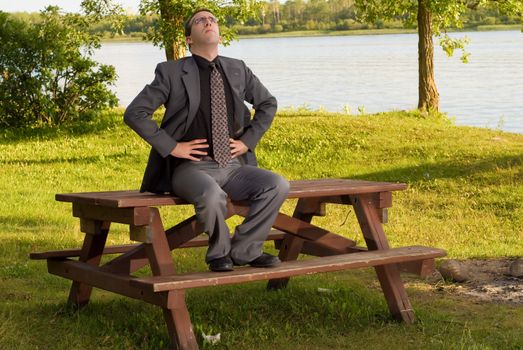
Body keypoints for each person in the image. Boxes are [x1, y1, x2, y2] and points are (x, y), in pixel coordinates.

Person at [124, 9, 289, 272]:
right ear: (189, 39)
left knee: (276, 185)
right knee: (212, 195)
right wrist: (172, 147)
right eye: (201, 20)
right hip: (190, 169)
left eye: (212, 19)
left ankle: (246, 250)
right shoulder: (171, 72)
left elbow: (268, 103)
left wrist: (247, 141)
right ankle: (219, 254)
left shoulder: (238, 68)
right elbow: (135, 113)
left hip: (234, 166)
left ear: (219, 34)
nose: (208, 22)